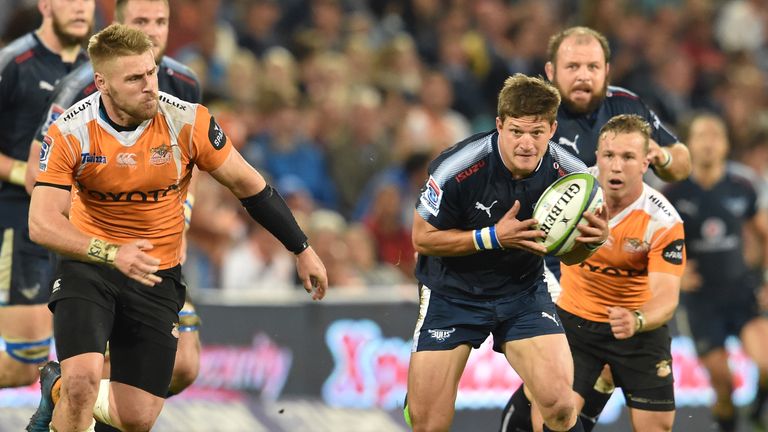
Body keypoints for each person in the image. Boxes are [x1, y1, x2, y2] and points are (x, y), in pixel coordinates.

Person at [24, 24, 327, 432]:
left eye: (150, 73)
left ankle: (55, 387)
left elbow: (250, 187)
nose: (149, 86)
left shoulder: (187, 121)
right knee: (84, 383)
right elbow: (41, 223)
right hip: (89, 267)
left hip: (156, 274)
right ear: (103, 84)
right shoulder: (69, 132)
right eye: (134, 78)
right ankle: (70, 387)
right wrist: (112, 253)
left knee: (135, 418)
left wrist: (301, 248)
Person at [502, 26, 693, 431]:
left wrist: (660, 157)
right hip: (546, 265)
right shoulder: (535, 113)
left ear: (607, 69)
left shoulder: (628, 105)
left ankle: (598, 381)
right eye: (573, 66)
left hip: (618, 261)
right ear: (551, 70)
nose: (583, 76)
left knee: (564, 402)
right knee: (548, 400)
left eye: (592, 66)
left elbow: (682, 161)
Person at [24, 1, 204, 421]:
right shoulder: (77, 90)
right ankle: (69, 394)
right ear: (118, 27)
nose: (154, 31)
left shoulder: (183, 82)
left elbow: (191, 159)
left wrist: (184, 209)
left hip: (159, 253)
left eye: (161, 22)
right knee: (85, 381)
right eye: (142, 22)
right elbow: (39, 172)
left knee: (185, 367)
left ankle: (62, 393)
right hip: (95, 254)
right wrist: (101, 238)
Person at [406, 73, 609, 432]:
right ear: (499, 125)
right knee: (427, 425)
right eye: (516, 131)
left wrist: (590, 242)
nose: (526, 144)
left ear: (552, 128)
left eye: (537, 132)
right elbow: (421, 238)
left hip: (522, 293)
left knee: (561, 407)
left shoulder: (572, 176)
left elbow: (570, 255)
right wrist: (492, 237)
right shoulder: (458, 167)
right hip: (452, 293)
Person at [0, 0, 94, 390]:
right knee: (26, 364)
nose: (79, 8)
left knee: (94, 361)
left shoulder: (100, 69)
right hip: (18, 223)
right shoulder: (13, 63)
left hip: (79, 225)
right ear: (45, 5)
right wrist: (30, 174)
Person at [664, 113, 768, 432]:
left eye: (715, 136)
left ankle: (757, 409)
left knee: (767, 362)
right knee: (724, 386)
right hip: (700, 302)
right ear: (689, 144)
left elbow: (763, 233)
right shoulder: (673, 194)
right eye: (701, 135)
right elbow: (653, 246)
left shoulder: (743, 185)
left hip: (741, 291)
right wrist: (676, 273)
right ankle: (729, 424)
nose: (709, 143)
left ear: (725, 144)